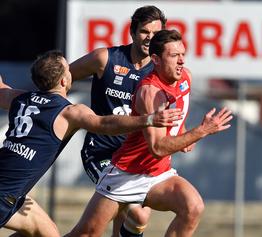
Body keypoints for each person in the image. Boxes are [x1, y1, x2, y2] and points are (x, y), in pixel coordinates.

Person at [66, 30, 233, 237]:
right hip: (125, 175)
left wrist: (187, 135)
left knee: (193, 207)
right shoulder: (150, 93)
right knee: (86, 234)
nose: (181, 61)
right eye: (174, 56)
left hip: (159, 175)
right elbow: (158, 148)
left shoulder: (185, 78)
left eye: (183, 54)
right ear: (155, 59)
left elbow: (178, 124)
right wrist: (201, 131)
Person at [0, 50, 183, 237]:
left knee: (46, 232)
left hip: (11, 191)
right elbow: (105, 123)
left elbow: (1, 89)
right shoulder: (69, 112)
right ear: (64, 81)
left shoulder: (20, 100)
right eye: (67, 69)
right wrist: (148, 120)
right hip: (5, 195)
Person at [69, 5, 167, 237]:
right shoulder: (105, 58)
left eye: (156, 35)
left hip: (137, 158)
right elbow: (61, 78)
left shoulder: (161, 71)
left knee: (130, 219)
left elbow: (177, 106)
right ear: (132, 32)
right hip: (102, 152)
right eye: (144, 32)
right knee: (132, 214)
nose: (150, 39)